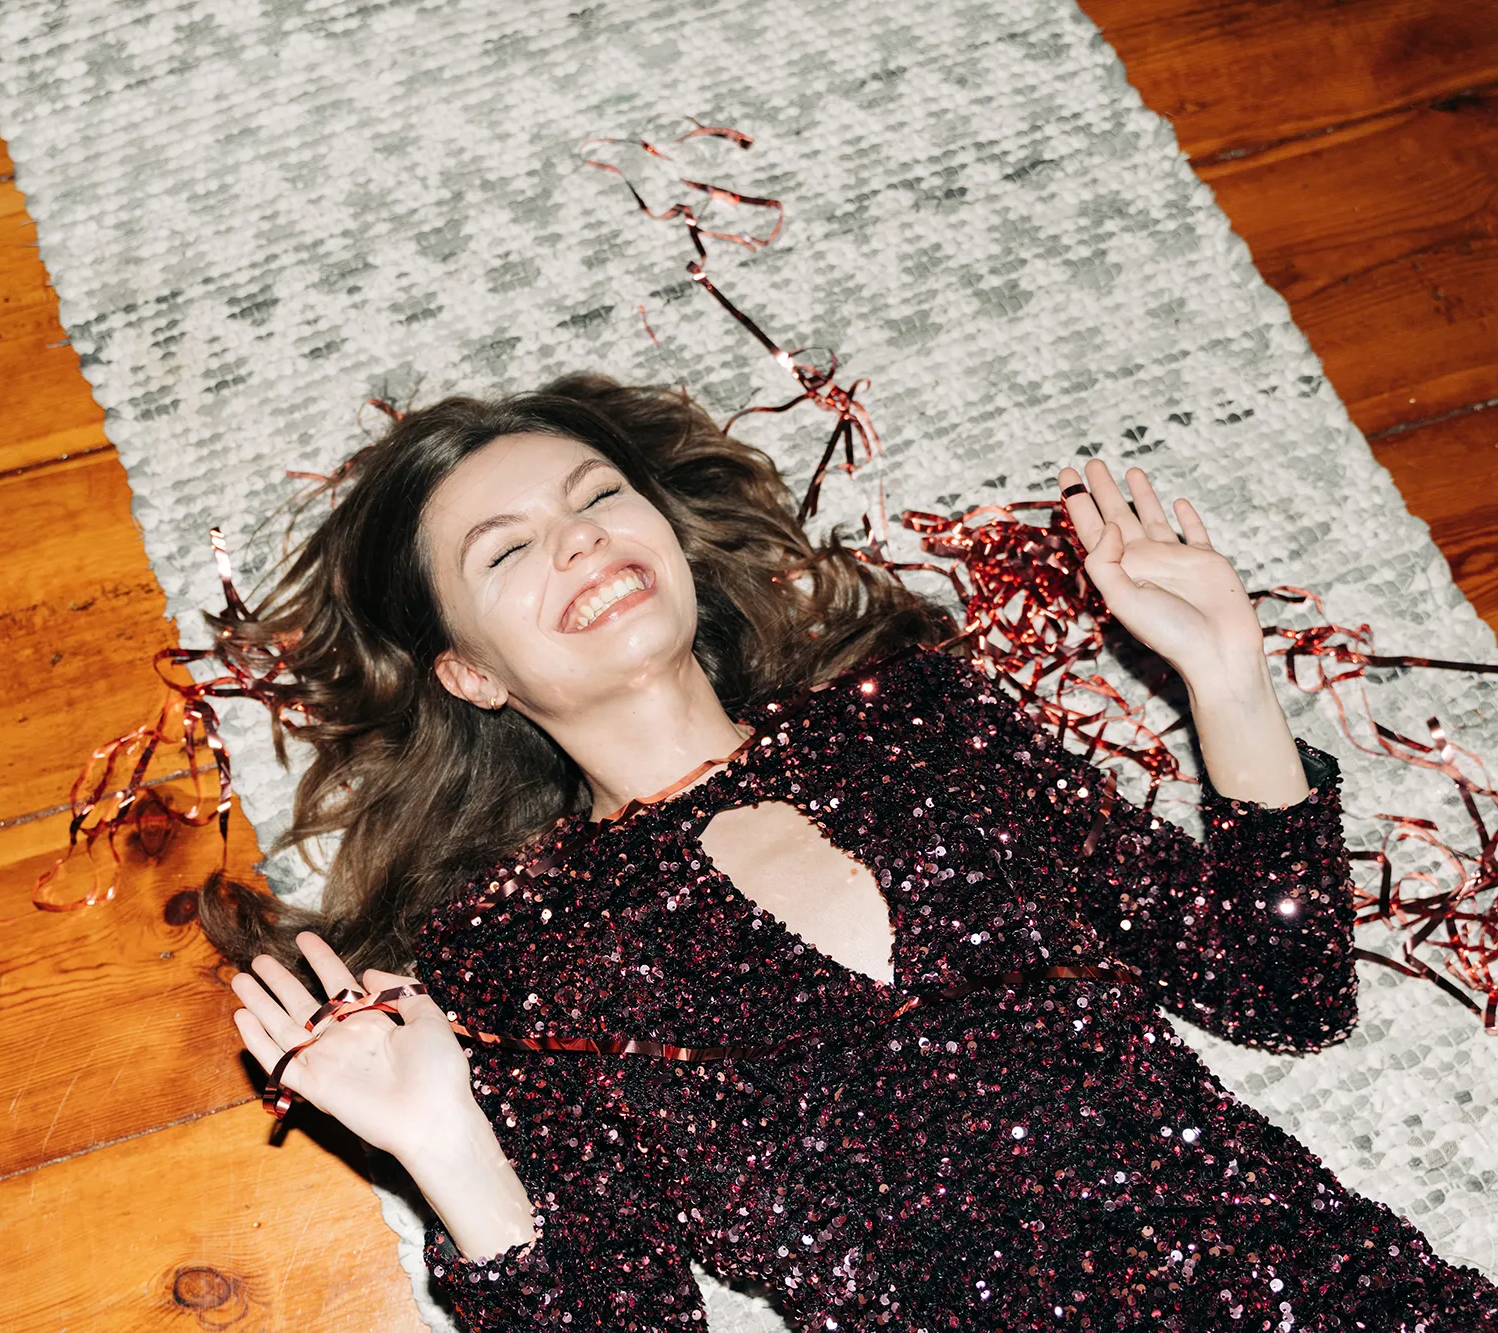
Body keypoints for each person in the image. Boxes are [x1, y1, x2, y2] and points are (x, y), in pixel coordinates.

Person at [212, 374, 1497, 1330]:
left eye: (597, 495)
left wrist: (1226, 680)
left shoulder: (923, 720)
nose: (579, 538)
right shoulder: (510, 959)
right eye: (506, 551)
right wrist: (447, 1150)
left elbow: (1278, 992)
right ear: (469, 672)